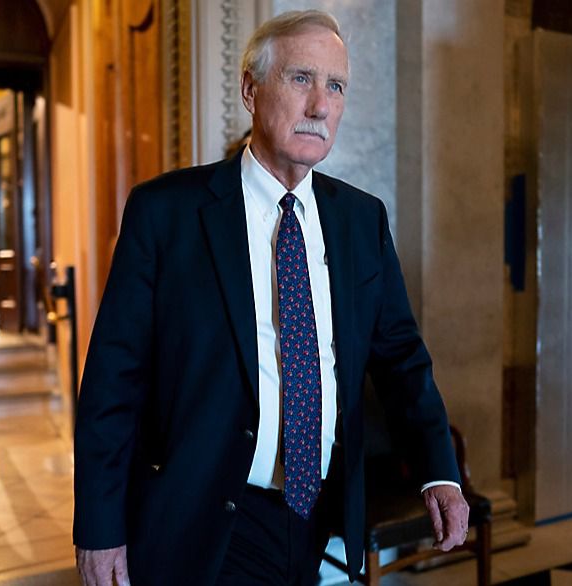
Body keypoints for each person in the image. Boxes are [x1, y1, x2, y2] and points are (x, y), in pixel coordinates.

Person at [74, 10, 469, 586]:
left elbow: (402, 357)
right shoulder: (167, 213)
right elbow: (114, 381)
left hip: (312, 513)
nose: (320, 105)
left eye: (335, 86)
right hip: (203, 513)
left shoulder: (361, 219)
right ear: (251, 90)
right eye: (301, 78)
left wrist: (440, 470)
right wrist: (100, 526)